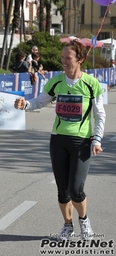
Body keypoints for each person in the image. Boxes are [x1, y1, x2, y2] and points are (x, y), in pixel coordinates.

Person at [14, 40, 106, 241]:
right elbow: (40, 101)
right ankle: (67, 225)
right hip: (58, 140)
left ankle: (84, 220)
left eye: (68, 58)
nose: (63, 61)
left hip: (81, 142)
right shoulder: (56, 82)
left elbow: (100, 114)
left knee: (76, 189)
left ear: (80, 59)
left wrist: (97, 139)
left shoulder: (91, 84)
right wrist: (25, 104)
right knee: (62, 190)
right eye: (62, 58)